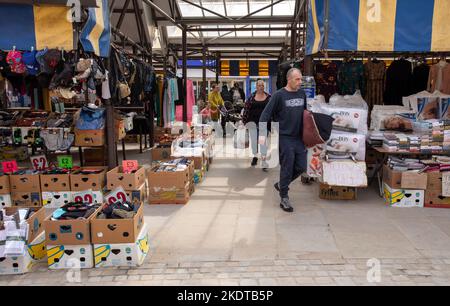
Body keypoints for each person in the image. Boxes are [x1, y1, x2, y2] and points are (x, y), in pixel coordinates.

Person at [259, 68, 307, 213]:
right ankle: (284, 197)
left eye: (301, 79)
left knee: (301, 166)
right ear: (289, 79)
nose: (300, 82)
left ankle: (281, 184)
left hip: (299, 137)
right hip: (285, 137)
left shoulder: (302, 94)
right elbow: (265, 115)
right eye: (297, 79)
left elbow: (305, 114)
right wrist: (262, 135)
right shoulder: (279, 95)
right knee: (287, 167)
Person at [242, 79, 271, 171]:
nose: (261, 87)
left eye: (262, 85)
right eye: (259, 85)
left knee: (262, 143)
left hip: (263, 124)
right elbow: (246, 110)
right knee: (254, 142)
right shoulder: (251, 97)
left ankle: (263, 161)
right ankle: (255, 156)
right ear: (256, 86)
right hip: (252, 124)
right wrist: (244, 121)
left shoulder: (268, 97)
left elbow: (272, 110)